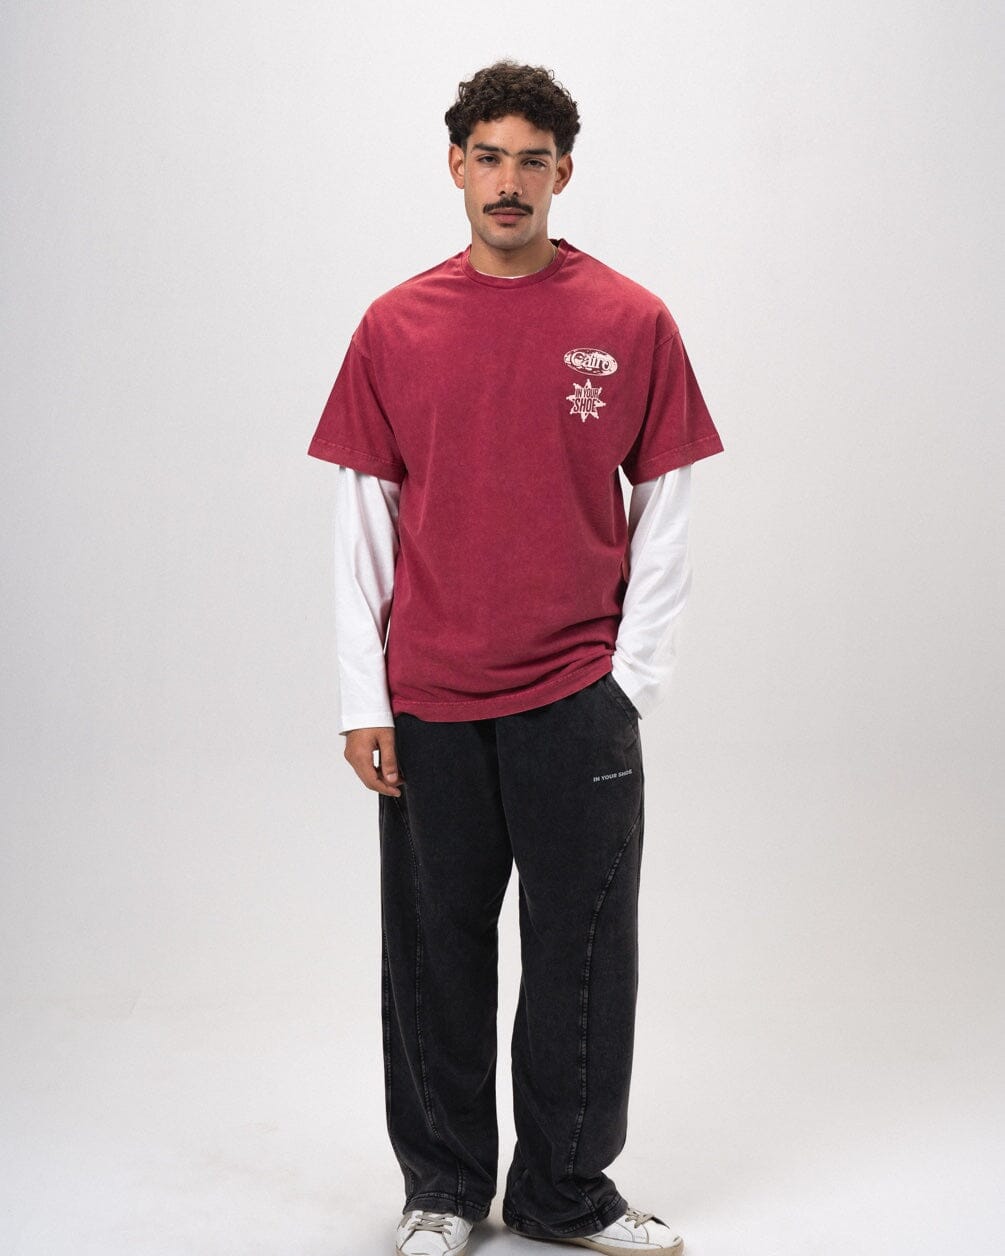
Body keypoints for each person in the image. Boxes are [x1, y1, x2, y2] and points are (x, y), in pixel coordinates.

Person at [307, 60, 723, 1256]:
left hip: (576, 696)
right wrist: (362, 696)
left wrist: (629, 680)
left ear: (563, 174)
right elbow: (364, 520)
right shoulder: (395, 325)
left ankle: (563, 1191)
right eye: (488, 156)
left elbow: (667, 506)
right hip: (429, 699)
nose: (508, 181)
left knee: (582, 952)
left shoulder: (631, 321)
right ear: (456, 164)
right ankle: (443, 1187)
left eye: (532, 161)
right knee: (433, 952)